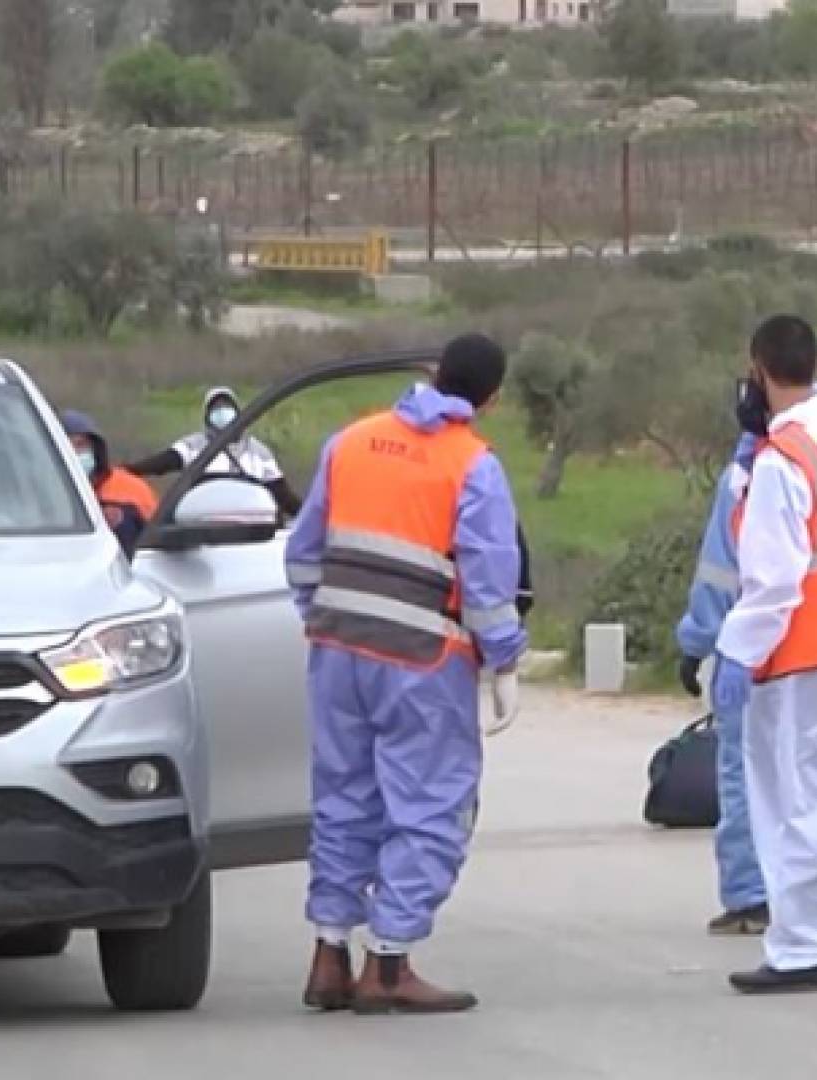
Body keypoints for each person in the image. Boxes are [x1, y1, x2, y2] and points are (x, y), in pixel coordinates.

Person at [284, 333, 526, 1016]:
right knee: (428, 806)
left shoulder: (352, 441)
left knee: (343, 799)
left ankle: (329, 954)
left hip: (337, 650)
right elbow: (489, 584)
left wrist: (322, 614)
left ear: (433, 374)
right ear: (492, 397)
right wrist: (503, 659)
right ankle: (387, 965)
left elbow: (303, 552)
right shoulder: (473, 465)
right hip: (423, 661)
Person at [714, 315, 817, 995]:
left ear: (758, 369)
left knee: (794, 808)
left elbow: (774, 577)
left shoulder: (783, 460)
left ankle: (802, 950)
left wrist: (737, 651)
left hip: (799, 653)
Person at [675, 425, 767, 937]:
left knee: (745, 776)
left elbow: (719, 575)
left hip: (751, 656)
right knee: (815, 783)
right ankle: (815, 896)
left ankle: (751, 895)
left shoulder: (743, 479)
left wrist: (696, 643)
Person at [128, 387, 302, 517]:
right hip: (204, 525)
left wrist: (304, 516)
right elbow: (164, 462)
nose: (222, 412)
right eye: (216, 408)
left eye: (226, 407)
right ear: (207, 415)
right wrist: (128, 470)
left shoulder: (258, 451)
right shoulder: (193, 445)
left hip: (251, 527)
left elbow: (281, 493)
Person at [61, 410, 158, 556]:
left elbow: (157, 542)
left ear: (95, 449)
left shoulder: (133, 488)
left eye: (80, 445)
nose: (74, 453)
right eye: (66, 446)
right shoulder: (35, 494)